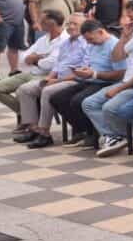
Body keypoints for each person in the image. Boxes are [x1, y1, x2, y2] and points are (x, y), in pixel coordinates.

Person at [85, 11, 133, 156]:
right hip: (127, 83)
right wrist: (124, 37)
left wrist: (118, 89)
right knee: (89, 103)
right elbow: (116, 58)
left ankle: (122, 136)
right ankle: (114, 136)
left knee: (109, 107)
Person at [49, 20, 126, 150]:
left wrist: (94, 74)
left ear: (100, 32)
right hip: (90, 79)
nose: (89, 43)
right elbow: (91, 64)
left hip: (108, 82)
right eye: (87, 40)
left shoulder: (114, 46)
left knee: (78, 100)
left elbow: (120, 74)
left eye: (90, 39)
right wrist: (83, 70)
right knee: (57, 98)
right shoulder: (93, 45)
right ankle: (82, 131)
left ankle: (94, 134)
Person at [15, 13, 88, 148]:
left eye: (75, 24)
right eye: (69, 23)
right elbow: (58, 65)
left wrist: (57, 81)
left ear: (84, 26)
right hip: (58, 78)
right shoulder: (66, 43)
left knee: (48, 91)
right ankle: (34, 129)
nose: (71, 27)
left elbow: (83, 72)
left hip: (75, 80)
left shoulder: (86, 43)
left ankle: (44, 133)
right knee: (25, 89)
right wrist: (49, 77)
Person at [0, 10, 64, 118]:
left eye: (42, 20)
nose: (39, 22)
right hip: (31, 73)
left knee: (23, 91)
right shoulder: (43, 39)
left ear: (51, 23)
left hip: (48, 76)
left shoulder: (64, 40)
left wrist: (35, 58)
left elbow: (49, 64)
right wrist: (39, 58)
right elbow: (23, 58)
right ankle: (28, 115)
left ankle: (29, 118)